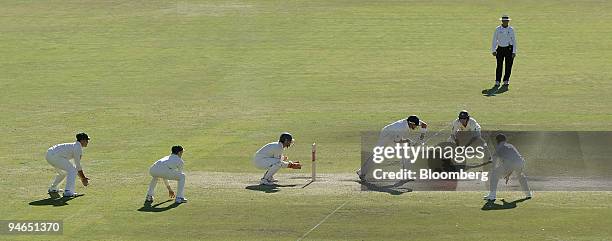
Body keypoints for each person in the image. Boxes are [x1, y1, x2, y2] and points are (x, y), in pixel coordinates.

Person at [356, 115, 428, 181]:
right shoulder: (400, 128)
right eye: (415, 126)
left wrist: (422, 137)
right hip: (386, 135)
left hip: (394, 135)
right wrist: (408, 141)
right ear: (411, 123)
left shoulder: (412, 120)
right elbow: (397, 141)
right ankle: (361, 172)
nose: (416, 127)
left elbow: (424, 125)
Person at [484, 133, 532, 201]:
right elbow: (514, 161)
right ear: (505, 140)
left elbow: (495, 163)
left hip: (512, 163)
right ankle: (528, 194)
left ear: (497, 141)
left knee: (494, 174)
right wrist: (508, 174)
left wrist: (493, 171)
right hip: (521, 162)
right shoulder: (511, 145)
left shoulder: (498, 147)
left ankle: (492, 195)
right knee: (520, 176)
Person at [45, 132, 90, 197]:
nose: (87, 142)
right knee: (72, 170)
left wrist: (82, 178)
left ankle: (53, 188)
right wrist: (83, 178)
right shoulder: (78, 148)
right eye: (86, 140)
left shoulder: (75, 146)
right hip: (55, 156)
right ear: (82, 141)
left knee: (63, 172)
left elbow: (76, 166)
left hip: (49, 155)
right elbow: (77, 166)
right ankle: (68, 191)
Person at [491, 14, 517, 88]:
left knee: (508, 65)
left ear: (508, 21)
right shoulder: (498, 29)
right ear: (502, 21)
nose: (505, 22)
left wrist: (514, 51)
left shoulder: (511, 29)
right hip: (500, 49)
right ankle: (497, 81)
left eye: (507, 21)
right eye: (504, 21)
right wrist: (493, 50)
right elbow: (494, 40)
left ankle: (506, 80)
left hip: (509, 49)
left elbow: (514, 41)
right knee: (499, 65)